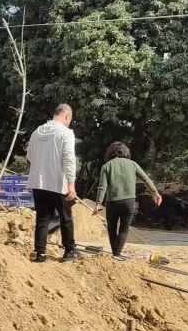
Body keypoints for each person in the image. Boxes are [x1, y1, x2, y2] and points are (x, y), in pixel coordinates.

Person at [26, 104, 81, 263]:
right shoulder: (66, 133)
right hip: (58, 183)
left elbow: (29, 155)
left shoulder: (37, 132)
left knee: (42, 218)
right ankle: (70, 251)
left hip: (38, 182)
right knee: (66, 217)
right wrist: (71, 184)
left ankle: (40, 253)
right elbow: (70, 159)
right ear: (67, 117)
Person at [93, 141, 162, 259]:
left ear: (110, 153)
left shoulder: (107, 166)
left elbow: (102, 186)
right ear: (126, 152)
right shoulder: (133, 164)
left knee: (112, 229)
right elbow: (146, 179)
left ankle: (115, 254)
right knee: (124, 230)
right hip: (129, 202)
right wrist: (156, 193)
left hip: (112, 203)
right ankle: (117, 254)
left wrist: (98, 203)